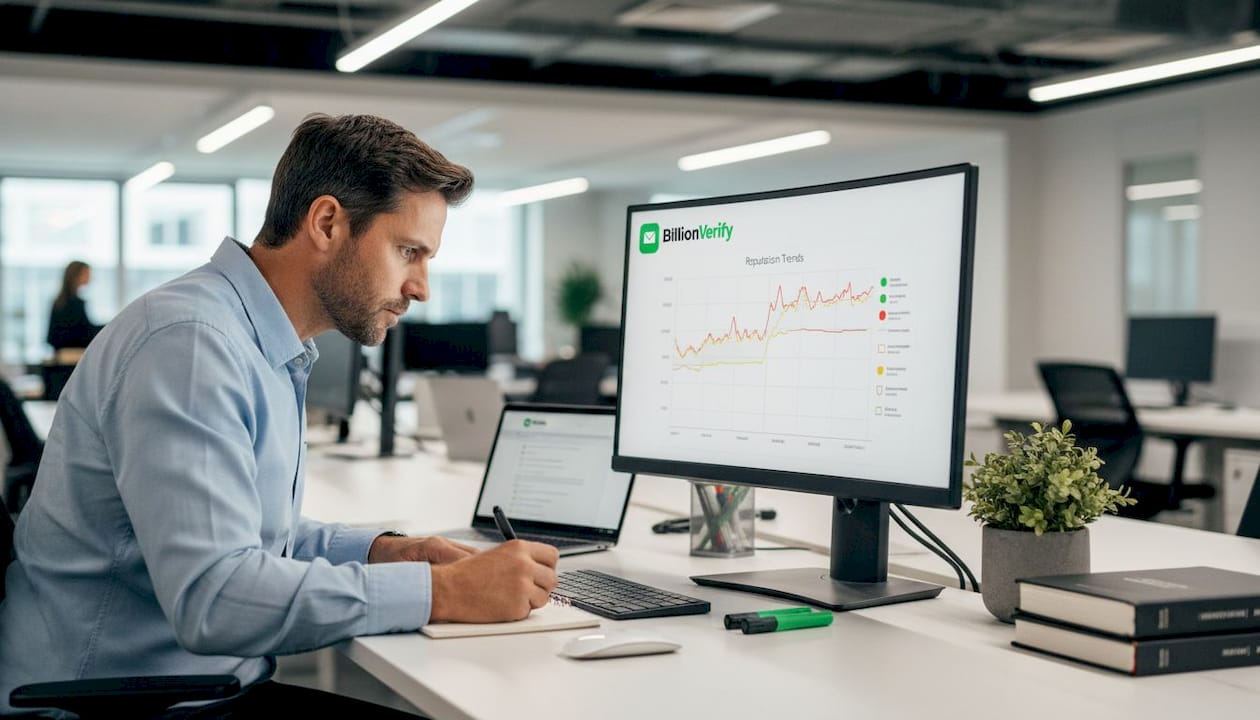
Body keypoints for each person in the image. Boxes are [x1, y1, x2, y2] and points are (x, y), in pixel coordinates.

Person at [0, 114, 560, 718]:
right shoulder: (191, 345)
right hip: (110, 705)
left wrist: (390, 552)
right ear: (327, 223)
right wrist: (442, 592)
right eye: (408, 252)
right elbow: (216, 599)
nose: (421, 287)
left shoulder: (253, 341)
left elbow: (260, 539)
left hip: (185, 688)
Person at [46, 259, 102, 352]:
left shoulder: (60, 301)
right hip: (70, 358)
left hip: (63, 355)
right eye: (87, 273)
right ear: (77, 275)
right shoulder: (74, 303)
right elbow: (85, 333)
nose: (90, 277)